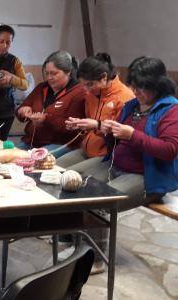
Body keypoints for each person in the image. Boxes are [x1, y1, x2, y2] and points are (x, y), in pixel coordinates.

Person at [70, 56, 178, 274]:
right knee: (74, 181)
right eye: (134, 86)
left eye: (141, 88)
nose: (135, 92)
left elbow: (169, 150)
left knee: (99, 199)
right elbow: (116, 141)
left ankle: (97, 257)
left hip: (147, 175)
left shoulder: (171, 110)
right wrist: (109, 132)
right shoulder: (132, 106)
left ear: (157, 85)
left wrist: (132, 135)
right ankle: (78, 244)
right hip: (117, 165)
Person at [57, 53, 134, 168]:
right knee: (53, 166)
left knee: (69, 175)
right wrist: (80, 125)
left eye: (90, 85)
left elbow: (123, 135)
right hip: (87, 149)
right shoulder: (91, 95)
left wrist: (97, 125)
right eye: (83, 86)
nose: (86, 90)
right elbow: (91, 122)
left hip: (106, 154)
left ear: (104, 77)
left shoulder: (125, 97)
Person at [15, 50, 87, 158]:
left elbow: (72, 127)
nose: (49, 77)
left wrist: (46, 119)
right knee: (7, 158)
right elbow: (21, 110)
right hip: (30, 141)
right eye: (47, 73)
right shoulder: (41, 88)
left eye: (54, 73)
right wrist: (22, 111)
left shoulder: (79, 92)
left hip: (59, 144)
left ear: (68, 72)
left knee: (29, 160)